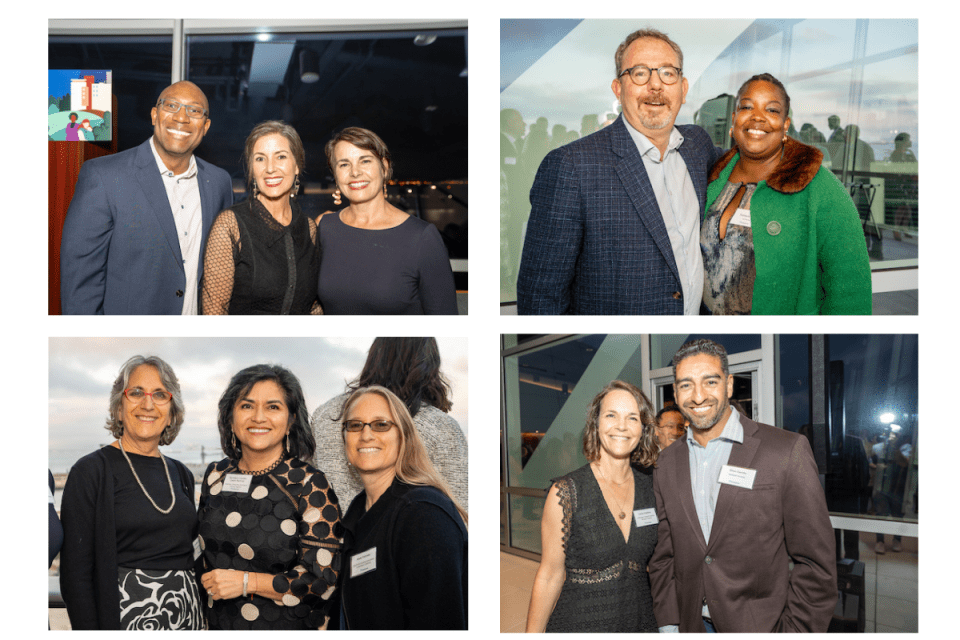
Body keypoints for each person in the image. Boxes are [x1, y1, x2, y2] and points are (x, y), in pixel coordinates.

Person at [516, 28, 721, 315]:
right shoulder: (571, 167)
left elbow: (753, 163)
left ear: (683, 89)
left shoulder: (698, 146)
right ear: (618, 89)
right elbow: (540, 298)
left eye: (667, 73)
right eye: (639, 73)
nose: (655, 85)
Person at [649, 339, 836, 632]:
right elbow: (664, 557)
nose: (698, 396)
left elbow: (816, 564)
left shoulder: (786, 450)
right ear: (675, 392)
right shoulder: (665, 463)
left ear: (729, 385)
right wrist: (669, 624)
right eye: (686, 385)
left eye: (710, 381)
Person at [702, 73, 872, 314]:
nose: (757, 117)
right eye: (747, 107)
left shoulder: (820, 187)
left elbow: (851, 291)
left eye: (771, 110)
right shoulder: (713, 177)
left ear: (785, 124)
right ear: (734, 119)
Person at [60, 81, 233, 314]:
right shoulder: (104, 176)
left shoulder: (219, 183)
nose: (181, 117)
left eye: (194, 110)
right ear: (154, 115)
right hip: (126, 344)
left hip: (194, 343)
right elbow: (80, 284)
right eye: (171, 105)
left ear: (206, 126)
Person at [60, 356, 203, 629]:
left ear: (172, 411)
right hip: (125, 620)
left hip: (188, 617)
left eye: (160, 394)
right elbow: (75, 576)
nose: (147, 404)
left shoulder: (181, 473)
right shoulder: (90, 471)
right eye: (136, 392)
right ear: (118, 408)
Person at [198, 364, 341, 630]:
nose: (259, 417)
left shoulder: (310, 483)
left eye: (273, 407)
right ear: (230, 417)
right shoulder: (215, 475)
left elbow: (322, 580)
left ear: (291, 421)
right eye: (247, 406)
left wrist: (246, 582)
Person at [525, 381, 660, 632]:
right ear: (596, 424)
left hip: (639, 622)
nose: (621, 425)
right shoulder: (566, 493)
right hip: (580, 624)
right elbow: (549, 575)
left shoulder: (651, 489)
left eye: (632, 417)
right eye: (611, 415)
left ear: (643, 428)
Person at [339, 386, 468, 629]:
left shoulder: (423, 514)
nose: (366, 434)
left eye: (381, 424)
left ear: (404, 437)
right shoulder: (357, 512)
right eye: (355, 425)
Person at [312, 337, 467, 510]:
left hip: (327, 533)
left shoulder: (324, 414)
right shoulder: (440, 426)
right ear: (428, 365)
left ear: (373, 357)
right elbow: (461, 507)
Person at [317, 127, 458, 314]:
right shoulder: (325, 227)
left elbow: (445, 323)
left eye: (365, 161)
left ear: (384, 167)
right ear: (335, 174)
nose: (355, 172)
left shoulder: (422, 237)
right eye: (344, 164)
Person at [201, 121, 321, 314]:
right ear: (251, 170)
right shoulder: (230, 225)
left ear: (297, 165)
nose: (270, 168)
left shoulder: (309, 228)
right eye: (260, 159)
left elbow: (314, 306)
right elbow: (214, 310)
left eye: (280, 156)